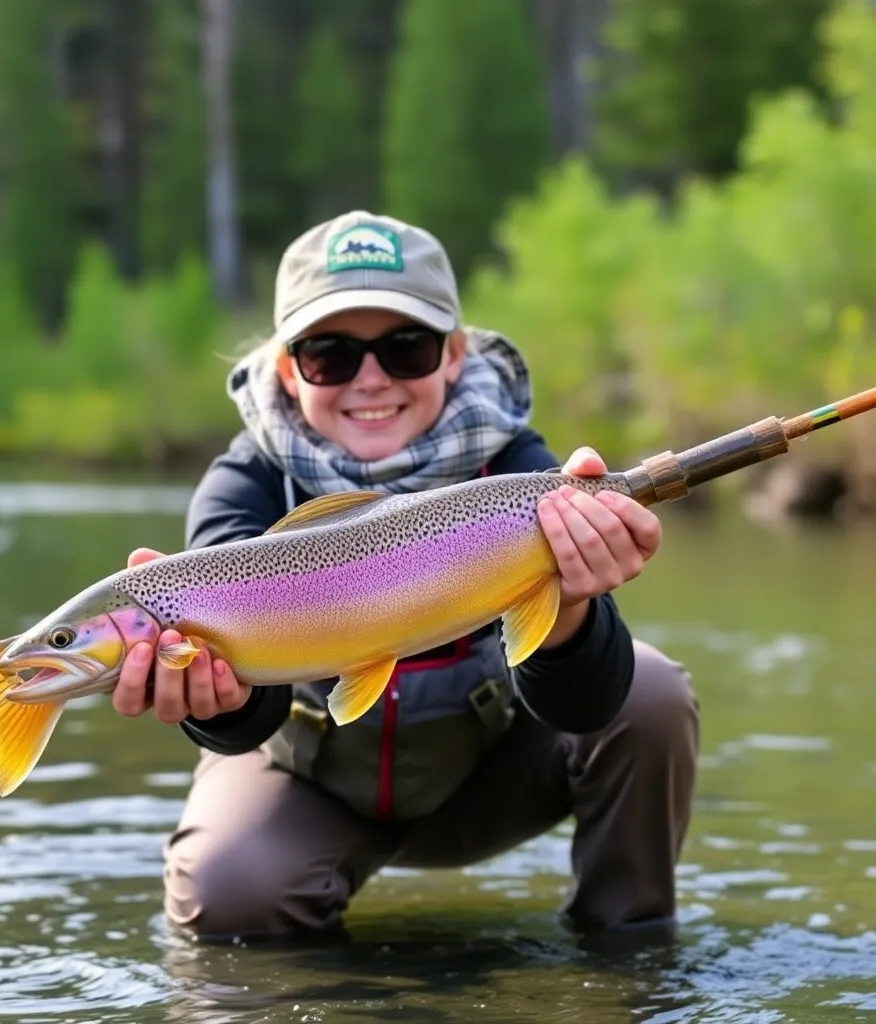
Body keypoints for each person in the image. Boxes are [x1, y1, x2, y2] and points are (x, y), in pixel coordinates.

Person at [112, 210, 699, 941]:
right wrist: (216, 700)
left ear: (454, 355)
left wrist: (574, 607)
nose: (370, 379)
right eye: (330, 354)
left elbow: (587, 706)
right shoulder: (244, 488)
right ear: (289, 370)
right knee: (229, 899)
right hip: (314, 787)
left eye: (405, 348)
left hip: (490, 778)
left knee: (651, 692)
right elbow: (242, 726)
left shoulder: (516, 466)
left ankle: (626, 960)